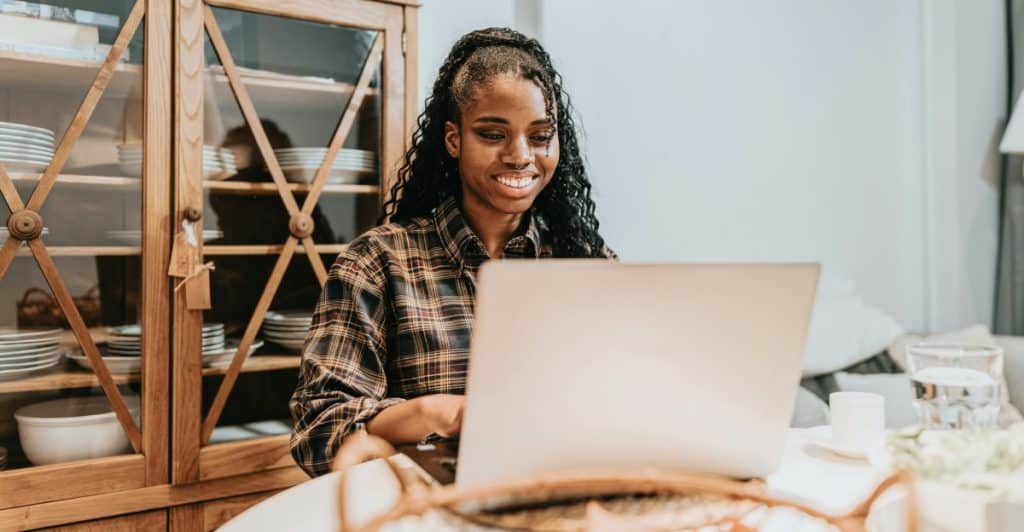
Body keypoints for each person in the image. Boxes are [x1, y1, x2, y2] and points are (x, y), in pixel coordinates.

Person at [289, 27, 615, 477]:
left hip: (562, 496)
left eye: (540, 136)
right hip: (425, 513)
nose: (521, 155)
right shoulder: (378, 263)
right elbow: (317, 431)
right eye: (492, 134)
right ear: (453, 139)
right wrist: (432, 414)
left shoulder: (587, 262)